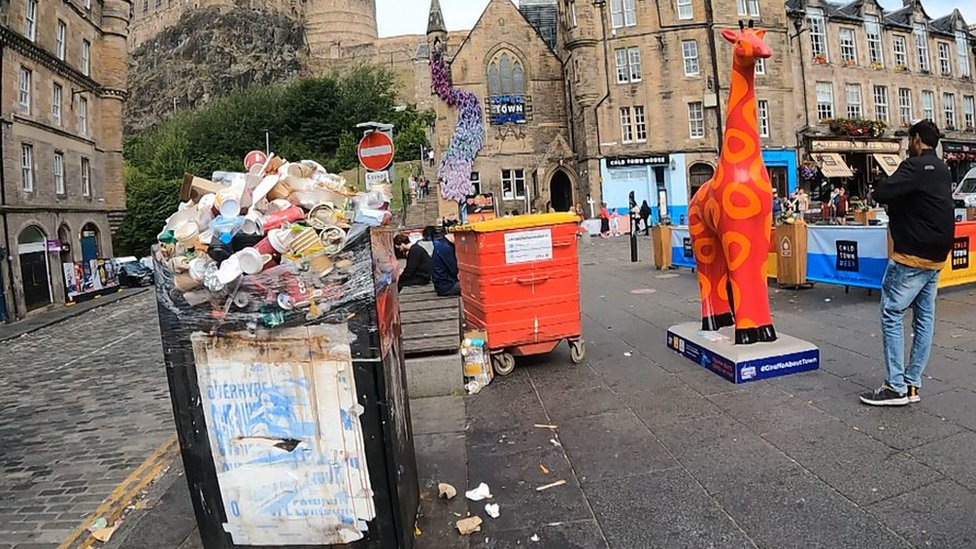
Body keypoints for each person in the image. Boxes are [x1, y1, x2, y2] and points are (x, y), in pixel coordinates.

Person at [859, 119, 954, 406]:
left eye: (908, 141)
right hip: (938, 255)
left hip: (912, 253)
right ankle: (913, 383)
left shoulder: (913, 166)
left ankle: (895, 386)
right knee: (924, 318)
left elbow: (882, 192)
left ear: (915, 140)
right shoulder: (942, 169)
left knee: (891, 312)